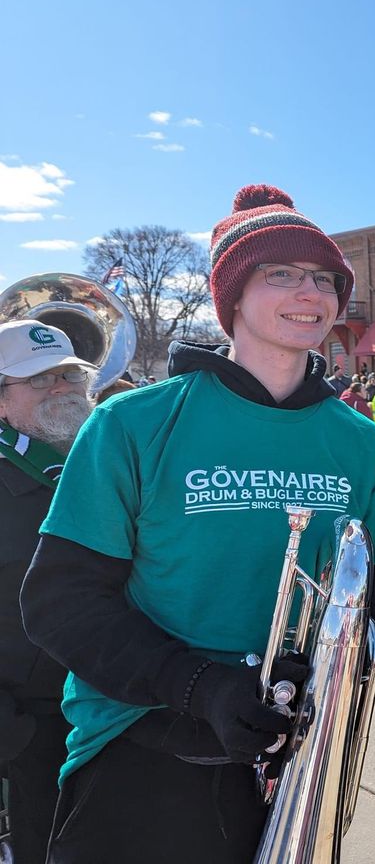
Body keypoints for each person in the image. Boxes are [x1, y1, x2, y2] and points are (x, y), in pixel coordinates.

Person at [20, 184, 375, 863]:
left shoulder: (362, 443)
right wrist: (201, 688)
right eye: (279, 273)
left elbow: (367, 602)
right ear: (231, 299)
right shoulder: (131, 423)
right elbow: (59, 603)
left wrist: (322, 690)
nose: (308, 292)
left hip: (290, 765)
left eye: (323, 278)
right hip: (142, 756)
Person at [0, 321, 96, 864]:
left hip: (111, 722)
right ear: (1, 402)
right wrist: (13, 738)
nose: (61, 387)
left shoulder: (107, 465)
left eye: (67, 375)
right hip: (27, 740)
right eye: (39, 380)